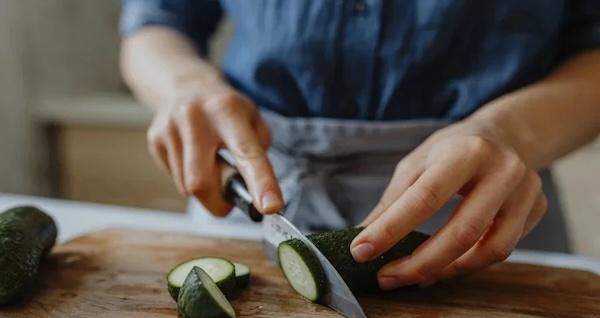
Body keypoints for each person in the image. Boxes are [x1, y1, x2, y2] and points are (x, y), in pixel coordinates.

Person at [120, 1, 600, 290]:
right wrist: (185, 84)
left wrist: (506, 131)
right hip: (251, 179)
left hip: (477, 202)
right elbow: (154, 23)